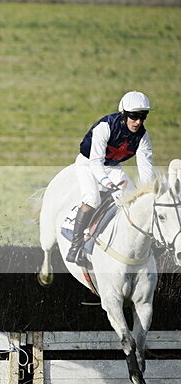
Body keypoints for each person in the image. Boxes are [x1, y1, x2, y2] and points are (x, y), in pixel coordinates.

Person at [66, 91, 154, 266]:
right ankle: (75, 247)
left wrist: (148, 192)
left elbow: (146, 168)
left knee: (132, 200)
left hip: (112, 167)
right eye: (134, 116)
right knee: (92, 199)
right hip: (88, 164)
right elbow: (95, 161)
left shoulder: (143, 137)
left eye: (143, 117)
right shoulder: (105, 126)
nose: (138, 122)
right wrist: (107, 183)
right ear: (124, 114)